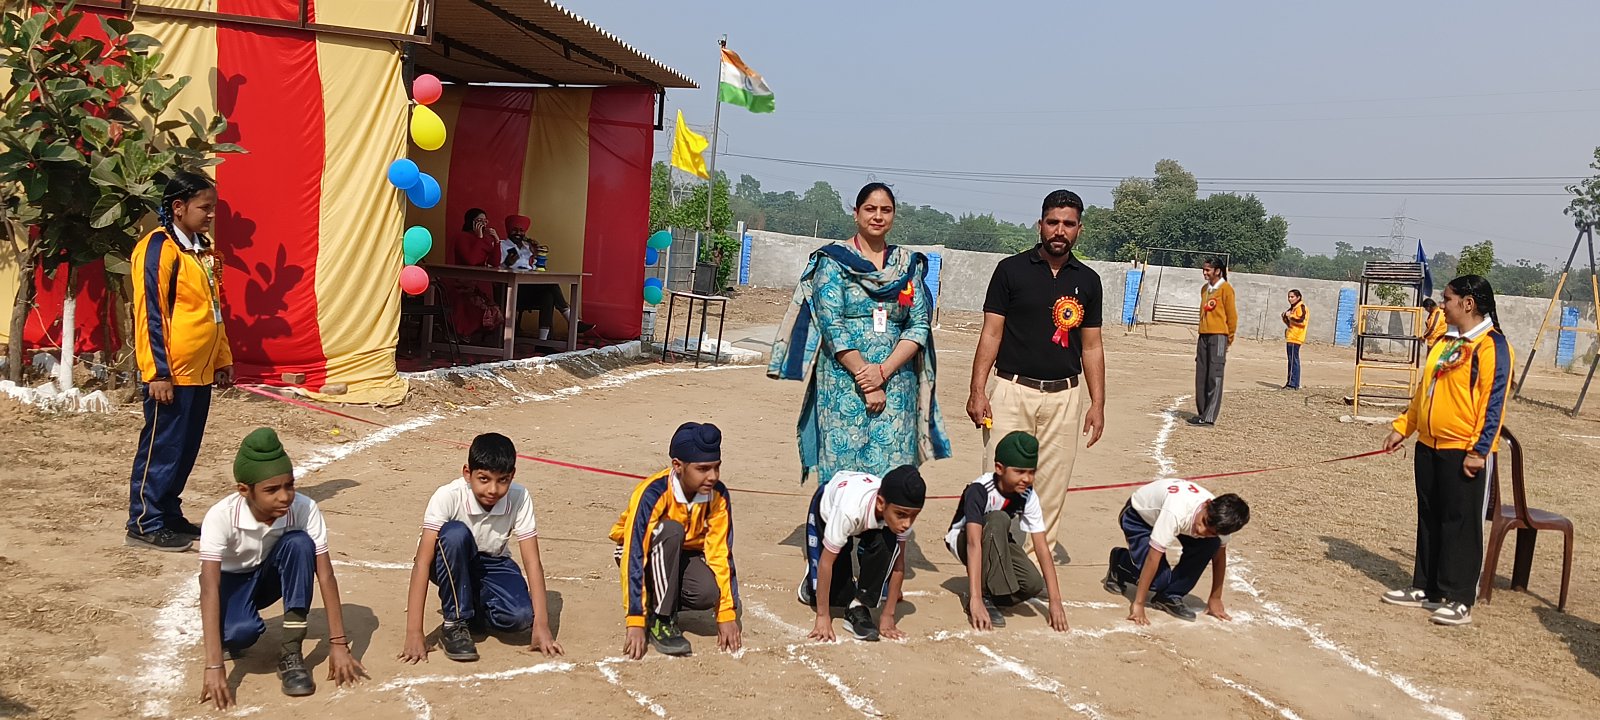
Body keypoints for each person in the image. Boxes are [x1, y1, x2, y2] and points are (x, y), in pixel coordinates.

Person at [769, 182, 951, 485]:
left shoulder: (906, 266)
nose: (878, 216)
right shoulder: (833, 262)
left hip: (897, 383)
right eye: (870, 209)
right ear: (856, 213)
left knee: (892, 477)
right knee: (843, 474)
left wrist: (883, 372)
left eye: (886, 210)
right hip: (843, 381)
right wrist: (867, 379)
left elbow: (919, 323)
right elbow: (831, 323)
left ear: (893, 215)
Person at [966, 189, 1106, 564]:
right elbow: (991, 333)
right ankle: (992, 569)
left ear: (1079, 229)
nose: (1060, 230)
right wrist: (978, 389)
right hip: (1010, 392)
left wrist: (1098, 403)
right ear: (1040, 224)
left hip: (1065, 398)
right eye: (1053, 222)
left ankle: (1030, 571)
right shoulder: (1010, 271)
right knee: (1000, 484)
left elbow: (1092, 346)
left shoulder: (1089, 281)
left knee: (1050, 489)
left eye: (1068, 224)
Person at [197, 429, 365, 709]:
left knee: (299, 544)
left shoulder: (304, 508)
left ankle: (291, 654)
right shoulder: (220, 516)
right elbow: (209, 586)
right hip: (230, 583)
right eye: (271, 490)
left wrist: (338, 643)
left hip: (267, 577)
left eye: (290, 485)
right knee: (241, 634)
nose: (285, 496)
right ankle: (228, 629)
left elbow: (325, 575)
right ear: (244, 490)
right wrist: (214, 665)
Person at [1381, 275, 1512, 627]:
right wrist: (1403, 427)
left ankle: (1459, 597)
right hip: (1429, 445)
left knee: (1461, 522)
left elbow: (1493, 405)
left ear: (1468, 303)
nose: (1442, 305)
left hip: (1464, 450)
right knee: (1430, 516)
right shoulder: (1444, 341)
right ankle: (1426, 588)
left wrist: (1479, 451)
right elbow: (1424, 390)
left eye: (1447, 299)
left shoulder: (1492, 346)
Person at [126, 171, 234, 552]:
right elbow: (150, 314)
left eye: (213, 207)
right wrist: (157, 372)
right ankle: (145, 521)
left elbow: (214, 308)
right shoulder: (158, 249)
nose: (211, 215)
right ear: (178, 207)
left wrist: (222, 358)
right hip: (171, 374)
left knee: (185, 449)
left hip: (199, 374)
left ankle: (169, 513)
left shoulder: (203, 250)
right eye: (204, 208)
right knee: (162, 448)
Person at [399, 433, 562, 663]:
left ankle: (471, 611)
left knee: (520, 617)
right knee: (455, 534)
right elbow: (422, 563)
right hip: (448, 559)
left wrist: (542, 625)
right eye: (484, 479)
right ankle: (454, 623)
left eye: (503, 480)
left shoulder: (520, 497)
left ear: (512, 475)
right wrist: (414, 633)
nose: (493, 489)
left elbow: (532, 562)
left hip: (492, 561)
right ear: (468, 473)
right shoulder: (447, 496)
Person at [610, 422, 741, 659]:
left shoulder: (718, 496)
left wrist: (725, 613)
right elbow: (634, 552)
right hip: (639, 551)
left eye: (716, 467)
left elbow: (720, 553)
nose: (712, 476)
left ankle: (659, 600)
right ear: (678, 466)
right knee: (672, 530)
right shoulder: (652, 493)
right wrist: (635, 619)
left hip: (682, 554)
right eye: (703, 469)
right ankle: (661, 619)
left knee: (707, 592)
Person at [945, 431, 1069, 632]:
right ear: (999, 468)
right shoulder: (980, 490)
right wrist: (976, 598)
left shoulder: (1027, 495)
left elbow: (1041, 547)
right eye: (1019, 471)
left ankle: (996, 595)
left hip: (996, 537)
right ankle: (982, 595)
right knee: (998, 518)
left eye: (1031, 472)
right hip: (964, 540)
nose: (1027, 478)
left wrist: (1056, 602)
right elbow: (973, 544)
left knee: (1032, 584)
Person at [800, 465, 925, 643]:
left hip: (871, 515)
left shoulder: (902, 515)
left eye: (913, 516)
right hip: (831, 507)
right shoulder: (847, 511)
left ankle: (857, 606)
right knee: (837, 596)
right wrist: (822, 616)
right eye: (901, 515)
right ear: (881, 503)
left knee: (888, 544)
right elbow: (826, 563)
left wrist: (888, 614)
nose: (906, 523)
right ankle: (810, 581)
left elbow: (898, 563)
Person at [1103, 478, 1250, 625]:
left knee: (1212, 543)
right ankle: (1120, 562)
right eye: (1204, 522)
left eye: (1211, 532)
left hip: (1175, 516)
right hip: (1138, 516)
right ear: (1206, 504)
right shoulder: (1175, 511)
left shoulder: (1221, 522)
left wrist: (1215, 598)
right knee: (1157, 581)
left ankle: (1170, 595)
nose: (1201, 530)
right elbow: (1153, 558)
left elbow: (1219, 557)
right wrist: (1139, 604)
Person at [502, 214, 592, 340]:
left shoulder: (527, 247)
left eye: (521, 230)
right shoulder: (502, 245)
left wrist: (536, 255)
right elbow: (495, 266)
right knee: (551, 285)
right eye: (515, 230)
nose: (518, 233)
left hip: (529, 288)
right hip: (511, 291)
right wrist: (507, 264)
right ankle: (572, 320)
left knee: (548, 295)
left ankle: (543, 343)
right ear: (508, 230)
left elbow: (533, 267)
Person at [1191, 256, 1237, 426]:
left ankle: (1209, 417)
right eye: (1203, 269)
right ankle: (1202, 412)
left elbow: (1232, 316)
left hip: (1219, 336)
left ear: (1217, 271)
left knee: (1214, 375)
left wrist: (1228, 339)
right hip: (1203, 335)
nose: (1205, 273)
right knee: (1201, 375)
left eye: (1208, 270)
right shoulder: (1205, 289)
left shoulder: (1226, 289)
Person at [446, 208, 505, 340]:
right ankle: (462, 333)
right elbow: (471, 260)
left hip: (481, 283)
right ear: (471, 222)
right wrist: (479, 238)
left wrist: (496, 241)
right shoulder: (461, 237)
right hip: (463, 283)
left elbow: (495, 262)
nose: (483, 224)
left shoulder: (486, 239)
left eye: (485, 221)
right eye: (479, 221)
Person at [1282, 289, 1308, 389]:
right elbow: (1290, 323)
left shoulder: (1301, 307)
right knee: (1292, 360)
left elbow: (1301, 321)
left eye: (1292, 297)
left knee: (1293, 360)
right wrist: (1285, 317)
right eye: (1289, 297)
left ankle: (1292, 384)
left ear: (1298, 297)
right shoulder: (1293, 308)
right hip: (1291, 336)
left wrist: (1290, 316)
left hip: (1296, 337)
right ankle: (1294, 383)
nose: (1290, 299)